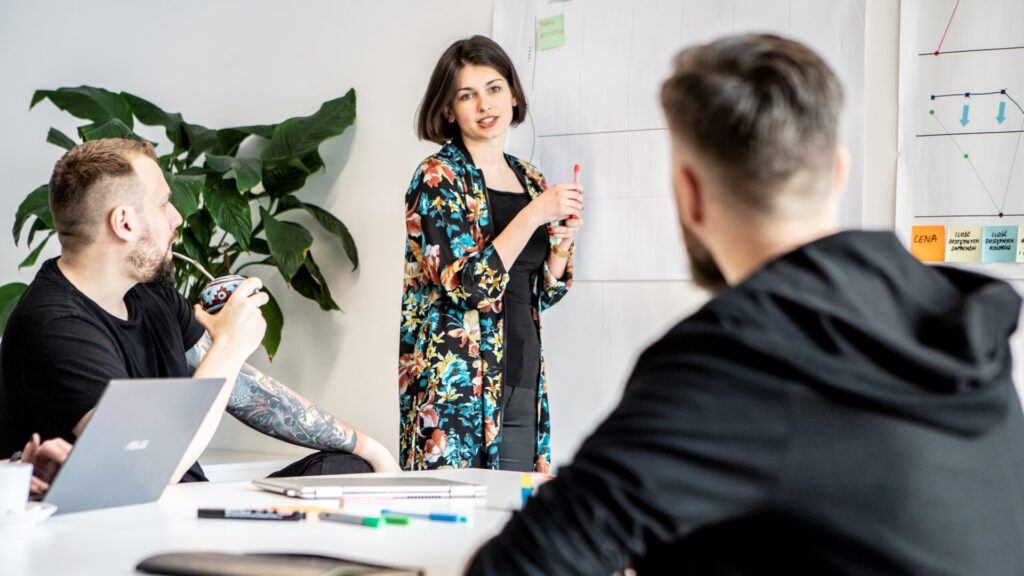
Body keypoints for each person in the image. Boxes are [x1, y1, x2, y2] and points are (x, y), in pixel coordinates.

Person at [466, 33, 1024, 575]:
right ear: (838, 170)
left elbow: (518, 565)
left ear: (689, 194)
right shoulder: (957, 323)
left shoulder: (734, 358)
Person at [0, 138, 400, 482]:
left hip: (185, 507)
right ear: (124, 223)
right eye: (163, 204)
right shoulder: (55, 327)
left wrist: (370, 449)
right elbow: (146, 470)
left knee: (348, 468)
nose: (177, 216)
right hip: (131, 522)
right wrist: (229, 346)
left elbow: (245, 392)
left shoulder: (150, 293)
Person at [399, 35, 583, 472]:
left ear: (514, 95)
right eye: (467, 95)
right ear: (449, 110)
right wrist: (533, 215)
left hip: (522, 378)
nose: (485, 105)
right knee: (454, 511)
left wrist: (562, 242)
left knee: (516, 507)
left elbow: (541, 294)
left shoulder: (531, 179)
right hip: (456, 388)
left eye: (495, 88)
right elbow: (468, 287)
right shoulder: (438, 176)